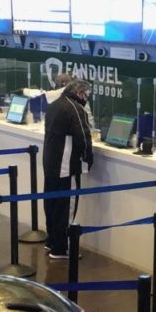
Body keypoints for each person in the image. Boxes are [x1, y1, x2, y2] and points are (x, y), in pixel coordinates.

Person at [42, 79, 94, 260]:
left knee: (51, 204)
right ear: (80, 93)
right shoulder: (75, 109)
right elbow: (83, 137)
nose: (86, 98)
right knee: (67, 206)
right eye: (86, 95)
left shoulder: (54, 105)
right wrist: (88, 158)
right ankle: (61, 248)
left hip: (50, 163)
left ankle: (52, 240)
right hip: (66, 166)